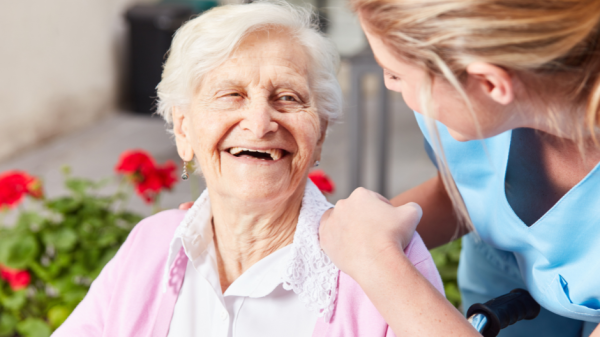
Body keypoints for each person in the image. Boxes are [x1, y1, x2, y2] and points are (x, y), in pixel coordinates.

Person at [52, 2, 443, 336]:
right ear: (184, 129)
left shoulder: (386, 263)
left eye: (288, 97)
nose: (260, 123)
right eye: (230, 95)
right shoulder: (151, 246)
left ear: (320, 133)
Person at [318, 0, 600, 336]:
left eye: (396, 74)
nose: (391, 84)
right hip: (501, 261)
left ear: (490, 84)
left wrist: (377, 261)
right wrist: (346, 241)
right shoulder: (475, 110)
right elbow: (463, 192)